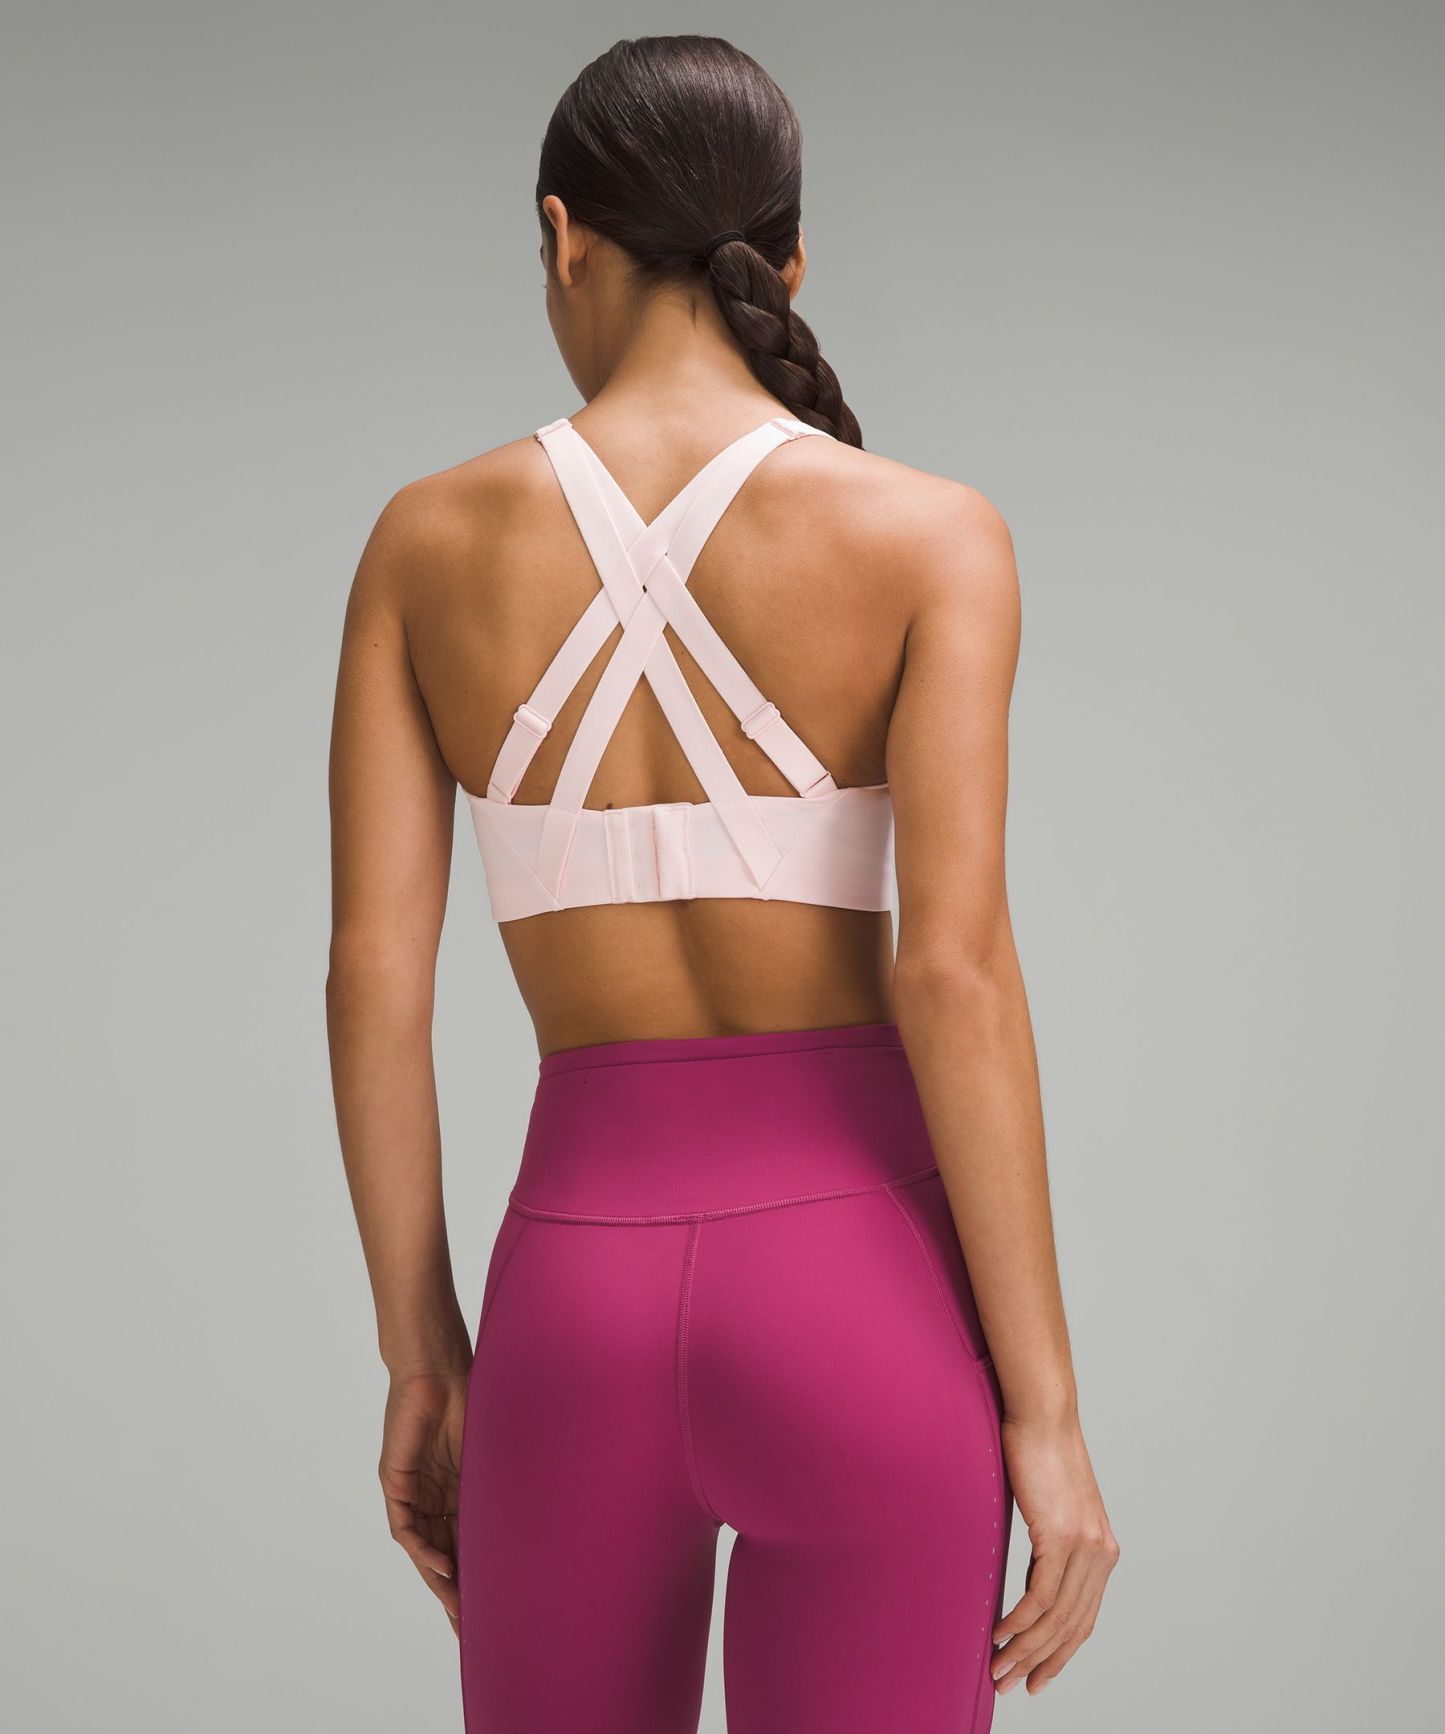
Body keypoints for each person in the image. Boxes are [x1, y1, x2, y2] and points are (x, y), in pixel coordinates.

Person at [327, 32, 1117, 1734]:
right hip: (861, 1296)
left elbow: (373, 983)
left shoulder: (421, 543)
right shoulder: (931, 535)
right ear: (789, 261)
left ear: (562, 237)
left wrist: (421, 1353)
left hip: (572, 1304)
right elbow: (953, 976)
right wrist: (1045, 1416)